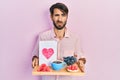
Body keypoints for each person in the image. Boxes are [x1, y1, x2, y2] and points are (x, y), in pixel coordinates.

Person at [32, 3, 86, 80]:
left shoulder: (75, 38)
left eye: (63, 15)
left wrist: (81, 61)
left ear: (67, 17)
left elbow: (81, 56)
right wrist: (35, 59)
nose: (60, 19)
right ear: (51, 17)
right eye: (56, 15)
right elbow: (35, 55)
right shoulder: (43, 36)